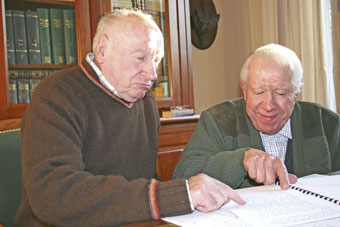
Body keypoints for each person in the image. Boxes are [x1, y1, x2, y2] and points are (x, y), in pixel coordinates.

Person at [15, 9, 245, 226]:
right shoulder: (57, 94)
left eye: (157, 60)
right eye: (140, 58)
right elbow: (53, 195)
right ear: (103, 50)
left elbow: (140, 182)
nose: (153, 74)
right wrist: (176, 195)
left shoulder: (145, 103)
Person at [173, 43, 340, 190]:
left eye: (281, 93)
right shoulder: (218, 121)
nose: (268, 106)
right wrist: (240, 161)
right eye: (259, 92)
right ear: (244, 91)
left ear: (296, 94)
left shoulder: (327, 124)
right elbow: (183, 179)